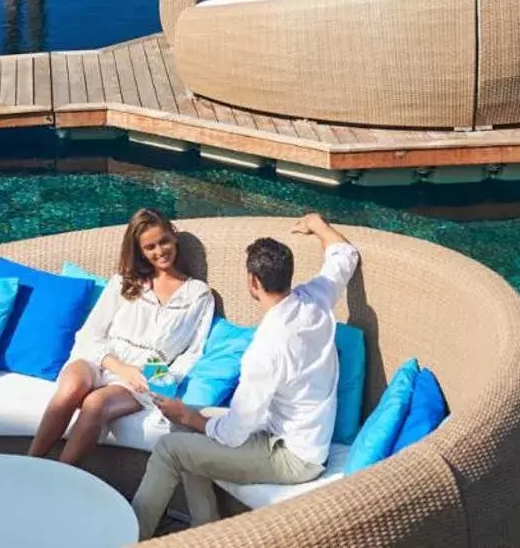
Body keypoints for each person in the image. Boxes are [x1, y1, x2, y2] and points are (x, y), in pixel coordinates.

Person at [133, 213, 358, 538]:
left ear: (253, 281)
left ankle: (129, 537)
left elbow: (235, 432)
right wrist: (318, 225)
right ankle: (206, 535)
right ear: (288, 276)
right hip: (290, 434)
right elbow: (344, 256)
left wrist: (188, 414)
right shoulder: (316, 300)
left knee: (171, 449)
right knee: (188, 428)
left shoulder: (265, 349)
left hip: (292, 457)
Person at [29, 209, 214, 467]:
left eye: (164, 241)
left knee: (95, 404)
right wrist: (119, 367)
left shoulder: (199, 295)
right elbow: (90, 334)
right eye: (150, 247)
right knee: (71, 387)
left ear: (174, 236)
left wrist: (159, 378)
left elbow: (192, 352)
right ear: (139, 251)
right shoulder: (125, 281)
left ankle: (58, 477)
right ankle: (29, 464)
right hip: (102, 358)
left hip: (144, 376)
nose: (160, 251)